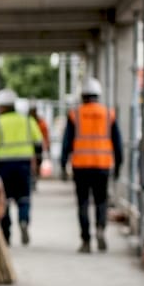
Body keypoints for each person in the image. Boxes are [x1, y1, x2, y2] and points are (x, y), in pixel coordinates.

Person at [60, 78, 122, 253]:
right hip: (102, 166)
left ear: (82, 96)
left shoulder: (75, 115)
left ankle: (86, 240)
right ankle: (101, 229)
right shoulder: (108, 114)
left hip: (81, 167)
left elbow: (67, 142)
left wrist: (63, 164)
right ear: (98, 95)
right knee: (101, 201)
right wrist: (118, 166)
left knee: (83, 203)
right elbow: (118, 144)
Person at [0, 89, 44, 246]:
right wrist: (39, 163)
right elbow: (38, 144)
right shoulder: (28, 121)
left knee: (5, 200)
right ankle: (23, 222)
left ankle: (6, 233)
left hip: (4, 166)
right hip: (24, 165)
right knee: (24, 198)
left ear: (2, 107)